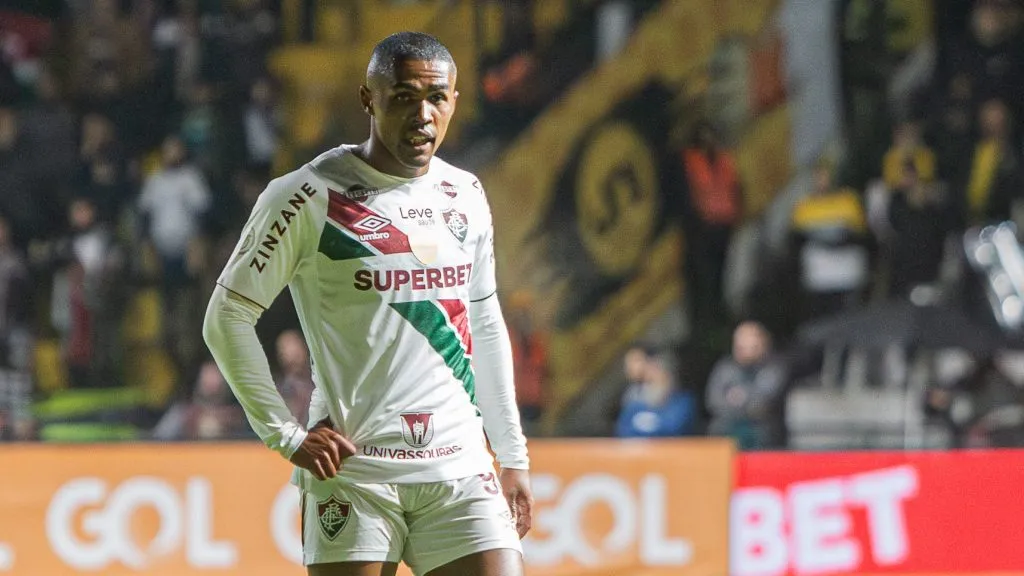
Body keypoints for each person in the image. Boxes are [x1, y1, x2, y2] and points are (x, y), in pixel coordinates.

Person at [203, 32, 531, 576]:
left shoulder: (465, 193)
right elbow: (227, 316)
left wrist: (512, 454)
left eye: (438, 98)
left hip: (460, 468)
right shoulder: (308, 194)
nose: (423, 115)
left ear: (455, 99)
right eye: (403, 96)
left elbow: (485, 324)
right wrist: (282, 434)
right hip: (356, 475)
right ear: (368, 99)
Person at [705, 321, 787, 449]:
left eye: (752, 345)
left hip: (762, 431)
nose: (746, 349)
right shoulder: (724, 368)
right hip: (727, 428)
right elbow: (713, 401)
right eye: (741, 345)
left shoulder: (774, 368)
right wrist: (744, 402)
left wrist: (739, 398)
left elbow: (764, 403)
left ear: (763, 344)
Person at [615, 349, 696, 438]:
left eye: (659, 370)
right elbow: (624, 429)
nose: (655, 376)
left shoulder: (684, 401)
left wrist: (644, 427)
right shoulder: (634, 403)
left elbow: (674, 428)